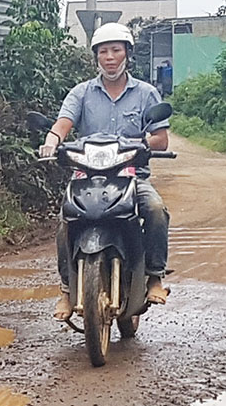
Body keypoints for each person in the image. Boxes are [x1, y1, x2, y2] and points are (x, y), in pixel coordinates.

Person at [39, 23, 172, 321]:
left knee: (155, 209)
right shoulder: (81, 93)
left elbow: (161, 138)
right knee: (65, 222)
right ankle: (65, 290)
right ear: (96, 57)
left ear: (127, 53)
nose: (109, 57)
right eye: (103, 51)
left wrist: (142, 142)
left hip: (131, 176)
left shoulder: (146, 94)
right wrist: (51, 141)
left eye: (115, 50)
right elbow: (63, 123)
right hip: (87, 178)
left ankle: (154, 276)